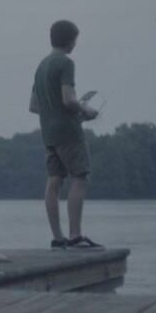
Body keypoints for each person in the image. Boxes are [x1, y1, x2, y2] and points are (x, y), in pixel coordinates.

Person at [29, 20, 103, 250]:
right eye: (75, 40)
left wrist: (56, 112)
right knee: (80, 177)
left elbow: (34, 106)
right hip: (69, 132)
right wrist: (85, 110)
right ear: (70, 40)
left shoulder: (41, 66)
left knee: (54, 180)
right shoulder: (65, 63)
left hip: (48, 134)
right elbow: (69, 99)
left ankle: (58, 237)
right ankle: (75, 236)